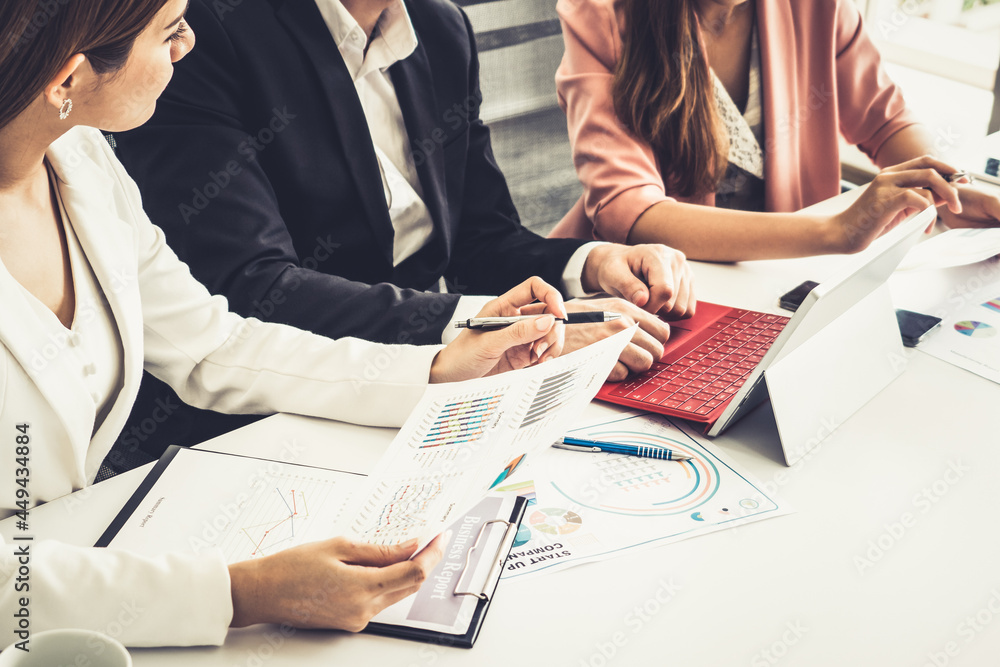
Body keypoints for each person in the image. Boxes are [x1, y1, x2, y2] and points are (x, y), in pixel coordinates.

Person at [0, 0, 580, 645]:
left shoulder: (79, 158)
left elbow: (212, 345)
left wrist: (436, 367)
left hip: (89, 563)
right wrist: (240, 593)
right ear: (67, 79)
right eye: (169, 31)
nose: (186, 45)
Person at [109, 0, 698, 469]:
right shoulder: (205, 31)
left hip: (430, 391)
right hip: (259, 420)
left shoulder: (441, 28)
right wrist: (488, 329)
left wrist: (592, 263)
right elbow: (251, 286)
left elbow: (479, 239)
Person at [549, 0, 1000, 261]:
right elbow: (629, 211)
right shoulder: (601, 14)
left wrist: (951, 188)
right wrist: (834, 231)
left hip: (780, 276)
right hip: (644, 285)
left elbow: (884, 120)